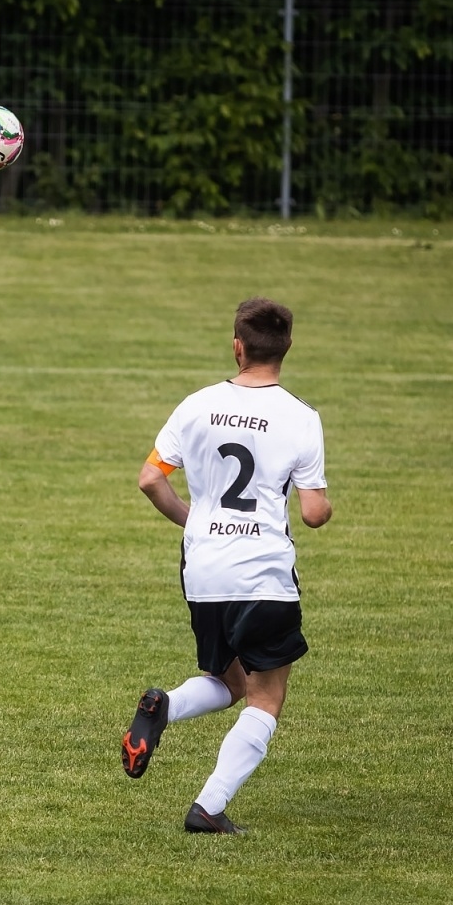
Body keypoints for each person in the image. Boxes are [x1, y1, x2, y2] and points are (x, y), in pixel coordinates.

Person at [121, 297, 331, 833]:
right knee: (266, 694)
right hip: (262, 572)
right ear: (286, 349)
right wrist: (322, 503)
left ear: (237, 346)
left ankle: (164, 705)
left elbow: (150, 479)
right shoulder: (301, 417)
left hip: (204, 566)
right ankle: (208, 808)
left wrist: (192, 520)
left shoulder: (196, 405)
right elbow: (312, 513)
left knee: (227, 679)